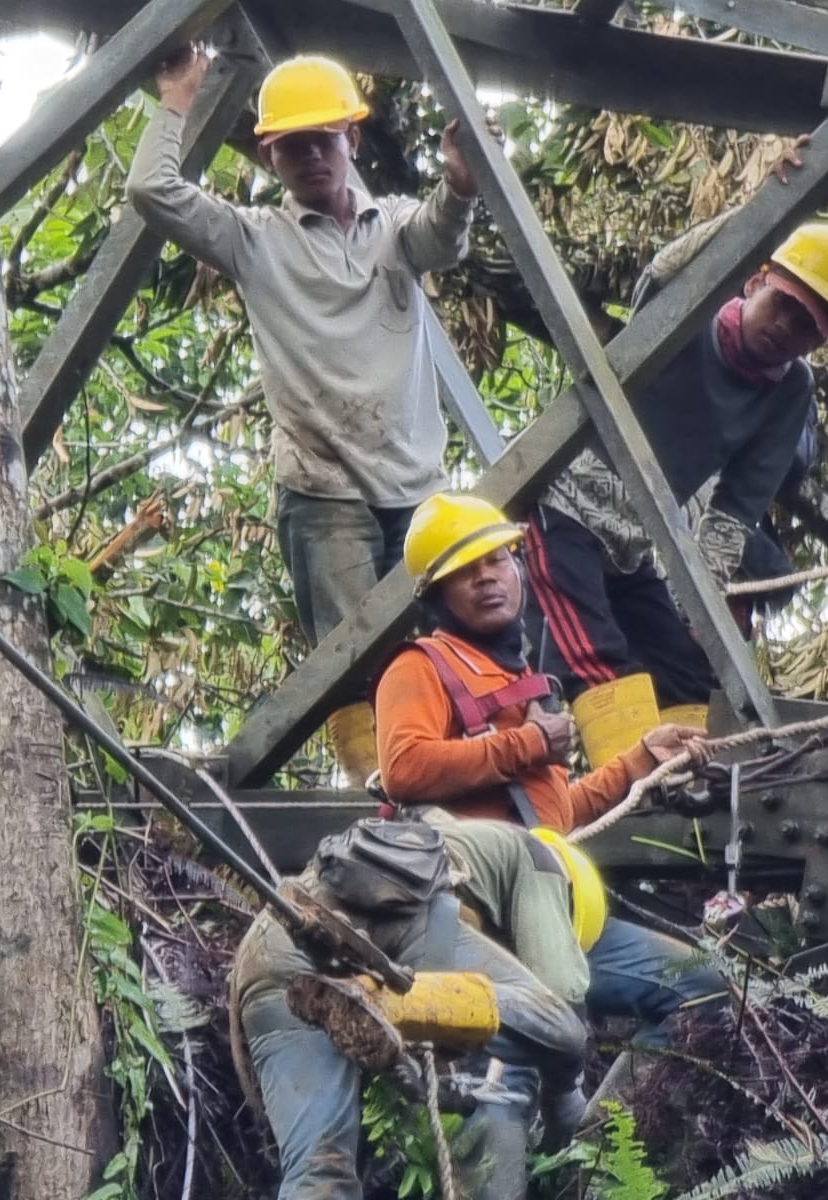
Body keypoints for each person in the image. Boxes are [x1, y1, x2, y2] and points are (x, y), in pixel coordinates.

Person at [127, 49, 485, 783]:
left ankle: (454, 780)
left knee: (446, 647)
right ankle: (381, 799)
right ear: (270, 154)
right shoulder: (256, 240)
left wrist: (461, 183)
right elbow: (152, 191)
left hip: (416, 486)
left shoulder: (394, 227)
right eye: (293, 145)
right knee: (354, 660)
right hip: (326, 493)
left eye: (324, 139)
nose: (312, 156)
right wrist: (177, 99)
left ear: (352, 139)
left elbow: (440, 239)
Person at [375, 493, 724, 1049]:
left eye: (497, 561)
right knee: (523, 1064)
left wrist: (640, 761)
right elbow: (404, 768)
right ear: (438, 593)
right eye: (467, 571)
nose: (488, 579)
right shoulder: (420, 665)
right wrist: (530, 742)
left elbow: (554, 816)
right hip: (481, 920)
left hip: (559, 912)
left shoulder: (522, 673)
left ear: (518, 567)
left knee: (706, 987)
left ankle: (613, 1127)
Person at [520, 222, 828, 755]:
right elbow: (665, 267)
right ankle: (627, 776)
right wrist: (761, 208)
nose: (785, 328)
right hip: (562, 507)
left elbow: (733, 515)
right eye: (783, 305)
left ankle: (684, 788)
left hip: (635, 542)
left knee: (692, 675)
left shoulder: (791, 392)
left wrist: (695, 615)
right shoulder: (691, 311)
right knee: (595, 654)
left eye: (807, 327)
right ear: (756, 282)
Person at [231, 818, 589, 1200]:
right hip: (402, 927)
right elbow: (562, 1009)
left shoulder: (455, 834)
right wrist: (563, 1094)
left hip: (274, 942)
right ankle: (387, 1000)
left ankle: (374, 1000)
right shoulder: (542, 863)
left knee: (318, 1170)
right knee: (559, 1028)